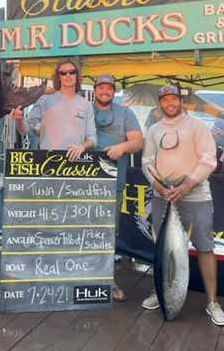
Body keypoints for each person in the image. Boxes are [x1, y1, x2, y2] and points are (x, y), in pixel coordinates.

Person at [141, 85, 224, 326]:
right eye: (165, 100)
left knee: (204, 246)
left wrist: (187, 184)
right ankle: (161, 291)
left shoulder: (197, 127)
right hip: (163, 196)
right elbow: (147, 160)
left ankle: (212, 302)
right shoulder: (154, 130)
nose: (170, 104)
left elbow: (209, 159)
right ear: (160, 104)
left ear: (181, 101)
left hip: (196, 194)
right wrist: (158, 186)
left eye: (174, 99)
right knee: (162, 249)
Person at [93, 75, 143, 302]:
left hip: (113, 184)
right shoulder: (83, 110)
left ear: (114, 92)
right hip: (79, 183)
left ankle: (106, 280)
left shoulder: (126, 113)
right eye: (101, 87)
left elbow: (138, 142)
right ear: (95, 90)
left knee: (107, 232)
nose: (105, 91)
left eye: (109, 88)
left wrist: (122, 146)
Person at [11, 59, 96, 161]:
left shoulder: (86, 105)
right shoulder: (44, 99)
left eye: (72, 72)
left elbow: (92, 139)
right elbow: (25, 130)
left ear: (77, 76)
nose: (68, 75)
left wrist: (82, 146)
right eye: (63, 73)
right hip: (48, 161)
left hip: (77, 164)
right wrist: (19, 120)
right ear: (58, 77)